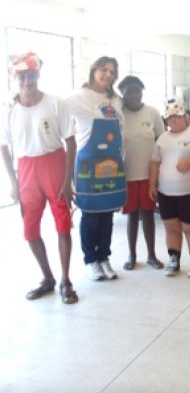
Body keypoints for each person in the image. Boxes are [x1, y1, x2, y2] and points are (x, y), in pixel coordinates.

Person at [0, 52, 78, 304]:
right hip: (26, 169)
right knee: (30, 229)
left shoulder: (55, 103)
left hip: (54, 164)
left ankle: (66, 281)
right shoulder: (8, 109)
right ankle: (48, 278)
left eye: (31, 75)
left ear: (38, 75)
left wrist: (68, 181)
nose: (27, 81)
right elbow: (4, 147)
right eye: (22, 76)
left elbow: (70, 142)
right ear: (14, 77)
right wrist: (13, 182)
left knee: (63, 224)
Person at [67, 56, 126, 282]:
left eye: (112, 72)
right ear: (94, 70)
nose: (108, 75)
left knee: (107, 215)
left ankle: (104, 257)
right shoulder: (79, 97)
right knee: (91, 215)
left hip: (112, 162)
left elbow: (121, 127)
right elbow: (56, 108)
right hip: (88, 165)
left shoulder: (115, 99)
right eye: (104, 70)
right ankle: (91, 260)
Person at [149, 98, 190, 278]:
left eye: (177, 117)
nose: (174, 120)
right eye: (170, 118)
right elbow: (155, 162)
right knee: (171, 227)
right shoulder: (163, 138)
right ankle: (174, 259)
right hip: (166, 192)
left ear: (185, 116)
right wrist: (152, 184)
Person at [119, 75, 165, 271]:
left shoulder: (152, 112)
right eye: (129, 92)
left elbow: (162, 141)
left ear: (142, 92)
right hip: (127, 175)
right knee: (131, 216)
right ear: (122, 94)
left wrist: (159, 173)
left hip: (149, 175)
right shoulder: (119, 114)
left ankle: (151, 255)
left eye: (136, 91)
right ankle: (132, 255)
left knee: (148, 214)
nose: (133, 95)